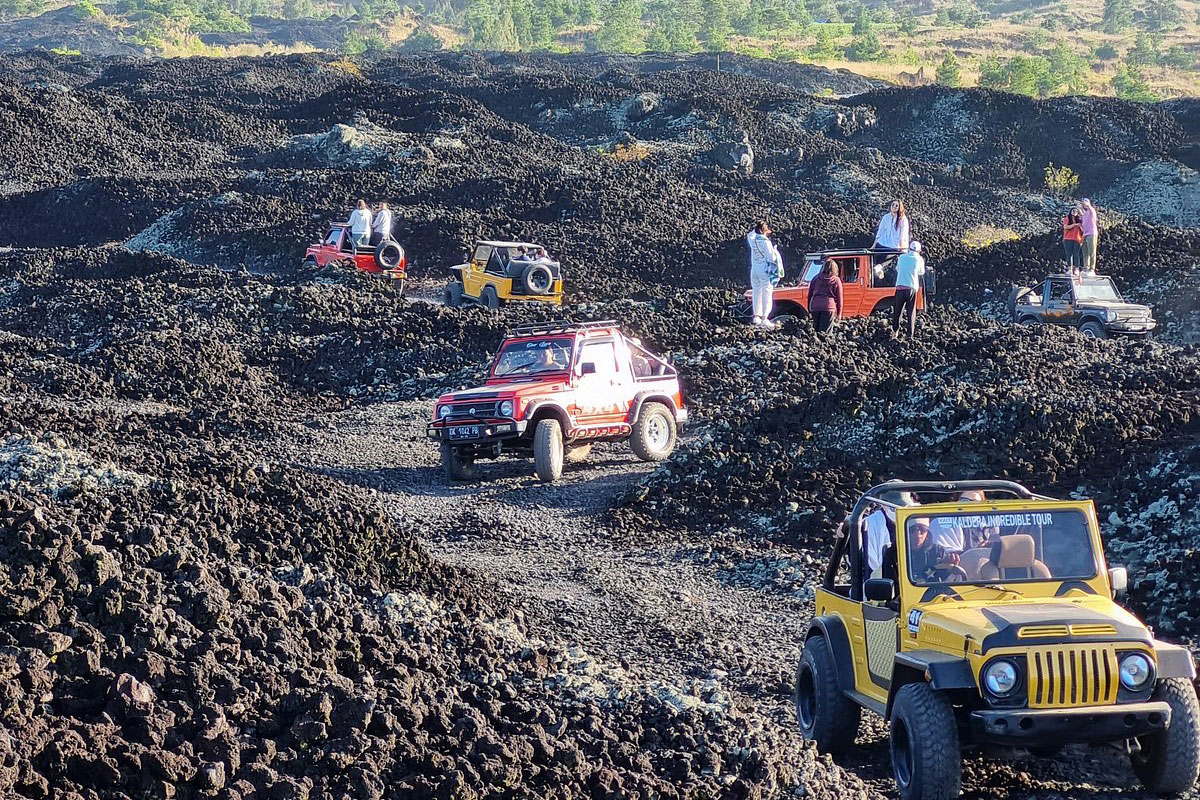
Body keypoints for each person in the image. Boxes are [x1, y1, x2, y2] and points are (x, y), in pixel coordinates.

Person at [746, 222, 784, 328]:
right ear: (765, 231)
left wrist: (756, 228)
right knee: (767, 293)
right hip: (764, 270)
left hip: (754, 270)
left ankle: (756, 317)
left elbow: (749, 235)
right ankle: (764, 318)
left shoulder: (752, 240)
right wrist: (775, 251)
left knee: (756, 292)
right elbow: (771, 258)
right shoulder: (766, 242)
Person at [908, 517, 961, 582]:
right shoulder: (898, 552)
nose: (918, 533)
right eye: (912, 529)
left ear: (927, 531)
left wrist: (952, 567)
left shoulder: (939, 551)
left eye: (922, 528)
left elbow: (947, 581)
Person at [892, 241, 925, 337]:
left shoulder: (901, 257)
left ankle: (895, 332)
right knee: (911, 311)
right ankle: (910, 334)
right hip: (911, 287)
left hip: (900, 287)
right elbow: (921, 272)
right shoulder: (919, 259)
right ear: (919, 250)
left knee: (897, 310)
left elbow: (897, 269)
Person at [808, 259, 843, 334]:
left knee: (815, 331)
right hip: (828, 307)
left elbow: (810, 294)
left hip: (815, 306)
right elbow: (839, 298)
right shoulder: (836, 280)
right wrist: (839, 313)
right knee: (826, 334)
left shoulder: (815, 278)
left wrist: (809, 310)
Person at [1080, 198, 1099, 274]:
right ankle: (1086, 268)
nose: (1083, 204)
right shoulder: (1084, 215)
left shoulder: (1092, 211)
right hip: (1084, 234)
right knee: (1085, 252)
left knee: (1092, 252)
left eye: (1084, 203)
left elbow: (1089, 206)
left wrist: (1087, 204)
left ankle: (1092, 269)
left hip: (1092, 233)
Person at [1061, 208, 1083, 273]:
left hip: (1077, 239)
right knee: (1069, 254)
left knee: (1076, 254)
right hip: (1068, 238)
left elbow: (1083, 229)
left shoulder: (1079, 220)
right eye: (1073, 211)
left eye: (1076, 211)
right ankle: (1070, 269)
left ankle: (1076, 269)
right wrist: (1074, 225)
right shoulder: (1067, 219)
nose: (1074, 212)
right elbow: (1065, 227)